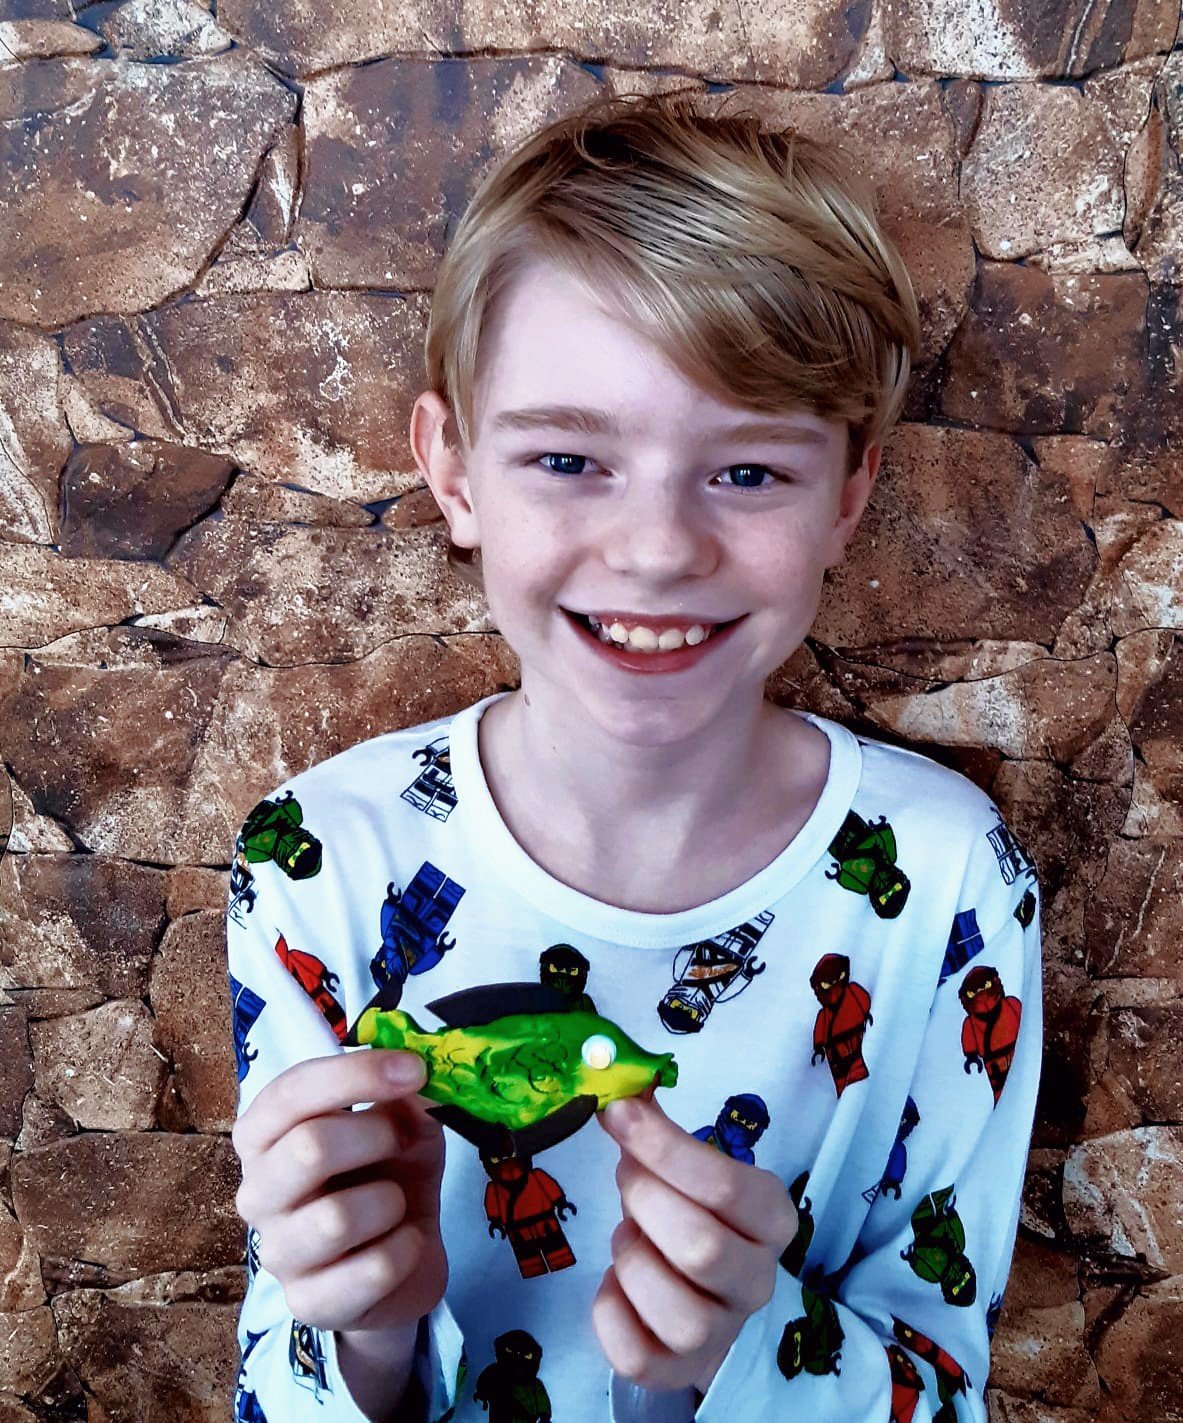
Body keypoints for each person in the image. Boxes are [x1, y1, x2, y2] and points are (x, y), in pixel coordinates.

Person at [227, 89, 1043, 1423]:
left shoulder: (949, 880)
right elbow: (284, 1371)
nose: (658, 551)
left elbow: (937, 1381)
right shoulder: (316, 858)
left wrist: (743, 1350)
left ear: (847, 496)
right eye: (567, 458)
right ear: (455, 472)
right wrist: (369, 1336)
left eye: (748, 473)